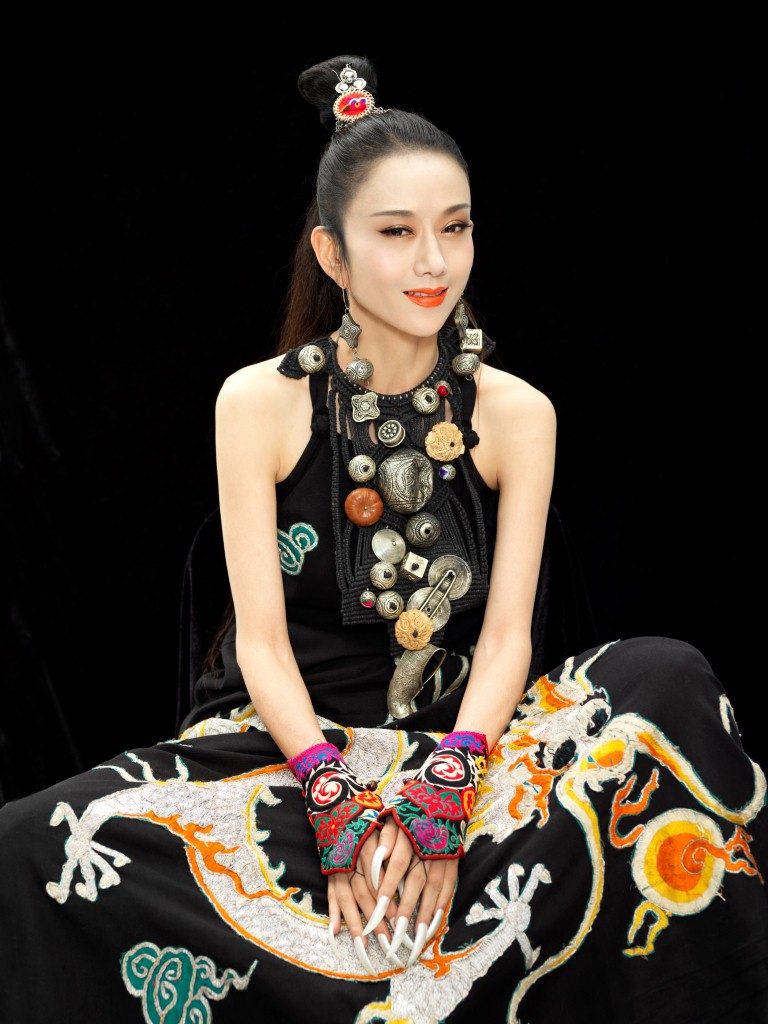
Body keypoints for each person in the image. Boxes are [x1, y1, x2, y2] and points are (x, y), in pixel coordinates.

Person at [1, 53, 767, 1024]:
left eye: (456, 228)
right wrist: (331, 799)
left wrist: (446, 789)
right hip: (287, 758)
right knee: (35, 844)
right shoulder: (258, 403)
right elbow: (260, 646)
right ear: (333, 253)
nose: (433, 262)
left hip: (467, 753)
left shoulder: (519, 413)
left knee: (668, 677)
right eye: (397, 233)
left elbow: (509, 639)